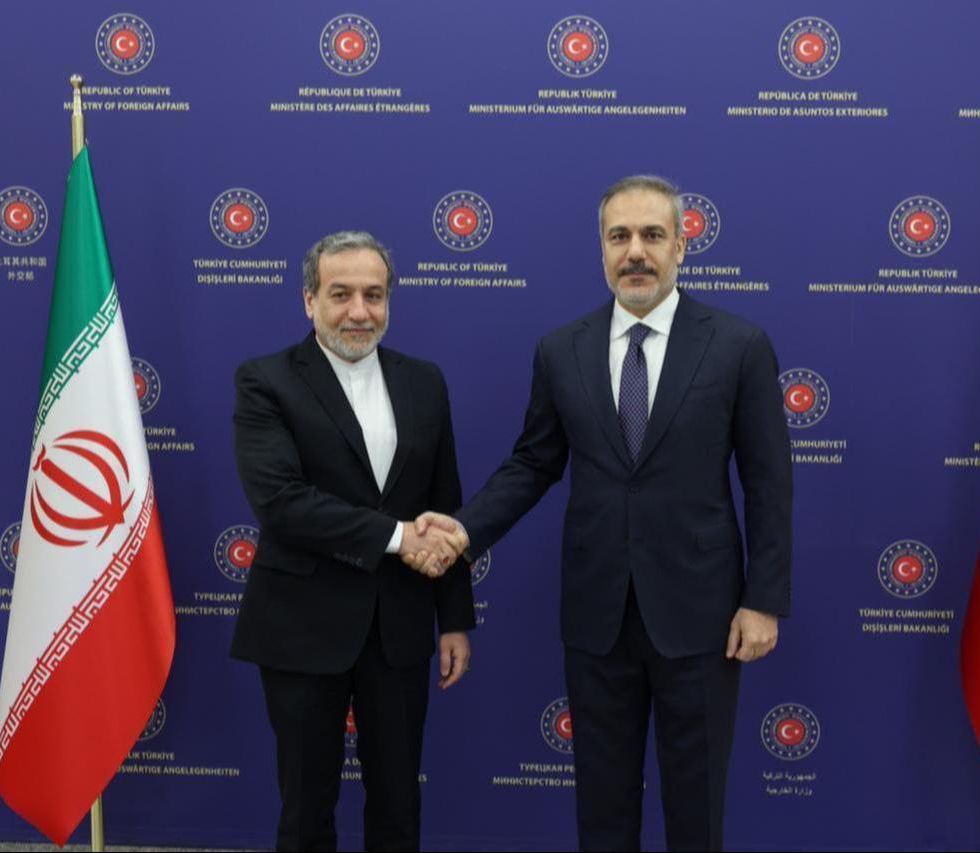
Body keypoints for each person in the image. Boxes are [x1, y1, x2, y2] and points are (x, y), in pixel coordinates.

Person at [411, 175, 792, 851]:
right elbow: (533, 463)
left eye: (652, 235)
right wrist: (465, 529)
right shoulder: (563, 350)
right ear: (602, 249)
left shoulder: (738, 345)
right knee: (603, 806)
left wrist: (763, 600)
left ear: (681, 245)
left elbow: (768, 482)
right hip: (597, 616)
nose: (635, 251)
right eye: (620, 236)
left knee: (696, 807)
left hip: (703, 618)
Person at [231, 230, 473, 852]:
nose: (359, 312)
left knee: (398, 805)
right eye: (340, 295)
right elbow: (281, 503)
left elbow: (444, 507)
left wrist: (453, 619)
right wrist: (396, 537)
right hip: (301, 626)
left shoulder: (426, 382)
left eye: (373, 294)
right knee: (307, 807)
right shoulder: (265, 381)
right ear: (308, 300)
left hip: (399, 626)